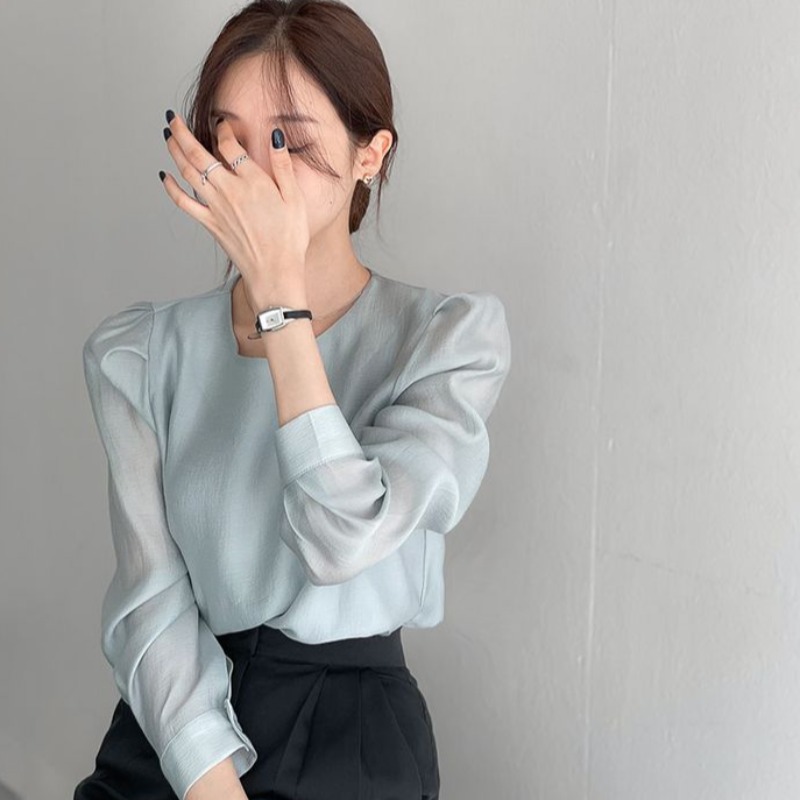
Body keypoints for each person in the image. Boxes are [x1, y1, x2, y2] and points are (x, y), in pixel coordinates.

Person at [73, 1, 512, 799]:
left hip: (351, 738)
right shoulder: (138, 355)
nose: (252, 174)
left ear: (369, 154)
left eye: (291, 142)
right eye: (228, 138)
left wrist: (280, 300)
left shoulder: (446, 342)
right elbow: (150, 601)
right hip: (177, 733)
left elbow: (340, 539)